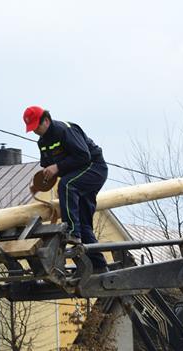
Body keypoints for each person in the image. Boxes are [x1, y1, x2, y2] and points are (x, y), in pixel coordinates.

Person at [23, 106, 109, 272]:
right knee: (84, 224)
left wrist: (58, 167)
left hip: (93, 168)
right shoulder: (42, 142)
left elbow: (84, 156)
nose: (35, 131)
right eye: (32, 129)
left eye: (37, 127)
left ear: (46, 120)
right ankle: (99, 266)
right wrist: (44, 177)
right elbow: (47, 166)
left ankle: (71, 230)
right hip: (78, 174)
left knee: (67, 185)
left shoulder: (65, 130)